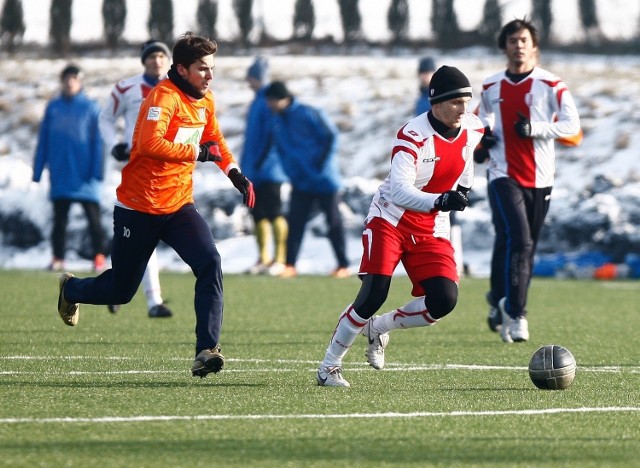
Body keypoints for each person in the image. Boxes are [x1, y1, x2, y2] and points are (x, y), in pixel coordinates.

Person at [56, 32, 255, 379]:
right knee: (122, 289)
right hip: (139, 207)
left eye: (212, 68)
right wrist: (197, 153)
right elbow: (149, 144)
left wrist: (234, 172)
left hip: (179, 206)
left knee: (210, 262)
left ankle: (206, 350)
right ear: (182, 69)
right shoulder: (162, 97)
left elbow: (215, 140)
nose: (210, 75)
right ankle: (71, 289)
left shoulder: (205, 100)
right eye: (203, 69)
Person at [316, 66, 483, 387]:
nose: (464, 109)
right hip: (390, 219)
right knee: (373, 293)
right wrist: (440, 200)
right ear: (434, 104)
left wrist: (463, 189)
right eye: (455, 102)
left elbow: (467, 157)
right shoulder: (412, 135)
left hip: (431, 225)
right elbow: (399, 191)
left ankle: (380, 328)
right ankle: (329, 367)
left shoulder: (472, 126)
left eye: (466, 101)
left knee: (444, 300)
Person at [476, 18, 581, 343]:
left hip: (541, 178)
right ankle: (517, 313)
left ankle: (499, 299)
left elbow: (573, 128)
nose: (518, 45)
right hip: (502, 175)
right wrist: (482, 145)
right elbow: (477, 129)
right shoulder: (491, 86)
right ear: (504, 47)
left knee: (522, 245)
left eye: (523, 40)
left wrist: (536, 129)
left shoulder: (551, 85)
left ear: (533, 46)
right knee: (517, 239)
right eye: (512, 40)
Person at [99, 39, 174, 318]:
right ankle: (145, 297)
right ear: (144, 60)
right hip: (137, 170)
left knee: (143, 235)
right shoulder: (126, 88)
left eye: (161, 56)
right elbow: (105, 118)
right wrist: (114, 144)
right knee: (141, 234)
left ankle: (118, 287)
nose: (157, 60)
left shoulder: (176, 89)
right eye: (152, 56)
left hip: (168, 172)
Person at [264, 81, 349, 279]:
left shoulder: (309, 112)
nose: (269, 105)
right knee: (294, 222)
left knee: (334, 222)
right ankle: (290, 265)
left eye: (271, 101)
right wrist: (291, 172)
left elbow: (331, 136)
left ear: (283, 99)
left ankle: (343, 266)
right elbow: (281, 150)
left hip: (324, 180)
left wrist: (321, 164)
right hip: (301, 181)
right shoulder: (277, 121)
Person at [33, 64, 106, 273]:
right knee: (59, 220)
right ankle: (58, 257)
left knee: (94, 219)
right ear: (62, 81)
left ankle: (99, 257)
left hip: (85, 176)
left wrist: (97, 171)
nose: (70, 81)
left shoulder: (91, 107)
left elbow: (98, 141)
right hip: (61, 172)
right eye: (66, 78)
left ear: (80, 81)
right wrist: (37, 171)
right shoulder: (53, 107)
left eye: (74, 78)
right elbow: (43, 140)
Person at [415, 56, 465, 277]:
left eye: (428, 73)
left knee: (450, 214)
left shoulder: (445, 99)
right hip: (424, 165)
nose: (425, 77)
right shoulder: (420, 100)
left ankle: (456, 263)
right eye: (422, 73)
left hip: (442, 162)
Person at [240, 57, 288, 276]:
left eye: (251, 77)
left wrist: (263, 161)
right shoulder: (255, 101)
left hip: (270, 169)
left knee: (274, 211)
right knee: (257, 214)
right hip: (253, 170)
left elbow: (273, 135)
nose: (248, 81)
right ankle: (263, 258)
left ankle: (280, 259)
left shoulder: (269, 99)